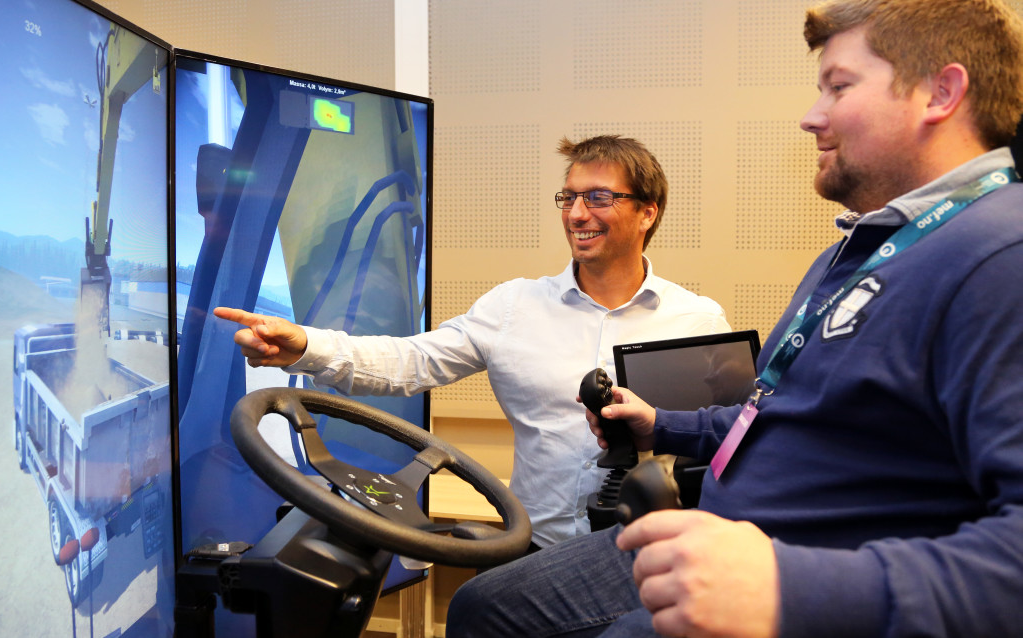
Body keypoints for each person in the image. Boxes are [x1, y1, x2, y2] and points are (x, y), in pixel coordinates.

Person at [445, 0, 1023, 636]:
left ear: (941, 92)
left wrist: (786, 588)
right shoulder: (863, 250)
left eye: (839, 86)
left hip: (794, 568)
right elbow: (778, 415)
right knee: (482, 607)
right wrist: (661, 425)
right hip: (727, 529)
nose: (811, 116)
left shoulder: (999, 257)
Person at [213, 134, 732, 549]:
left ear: (648, 211)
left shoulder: (699, 321)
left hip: (650, 557)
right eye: (568, 197)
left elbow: (727, 445)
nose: (576, 214)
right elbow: (410, 362)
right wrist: (306, 346)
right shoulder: (514, 307)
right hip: (537, 551)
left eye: (598, 198)